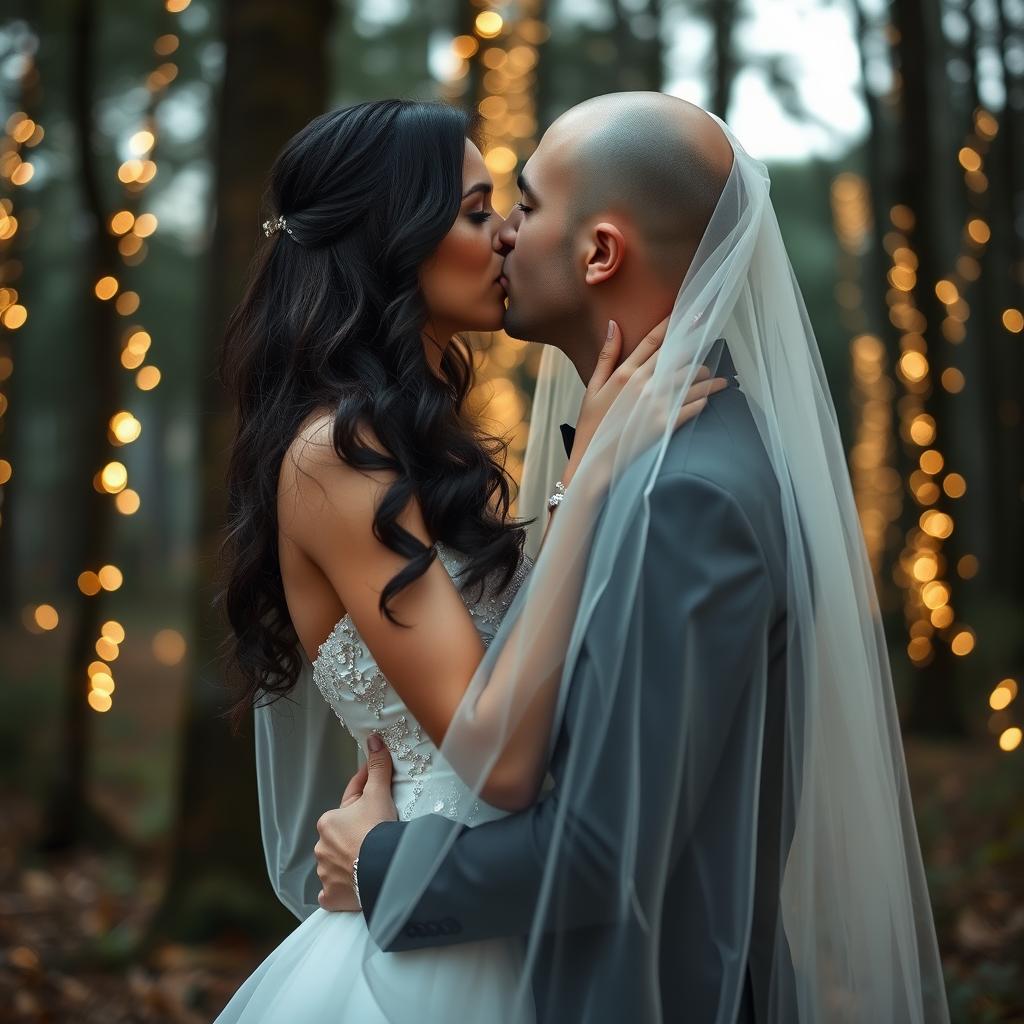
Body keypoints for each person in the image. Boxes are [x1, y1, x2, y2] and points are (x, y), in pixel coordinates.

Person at [314, 93, 951, 1024]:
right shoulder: (663, 461)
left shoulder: (685, 495)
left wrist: (378, 862)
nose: (503, 237)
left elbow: (604, 853)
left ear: (600, 253)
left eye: (523, 208)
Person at [212, 98, 722, 1023]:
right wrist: (586, 486)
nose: (503, 238)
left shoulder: (415, 443)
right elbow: (500, 764)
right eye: (476, 210)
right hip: (429, 944)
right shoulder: (336, 455)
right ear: (390, 235)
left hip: (503, 905)